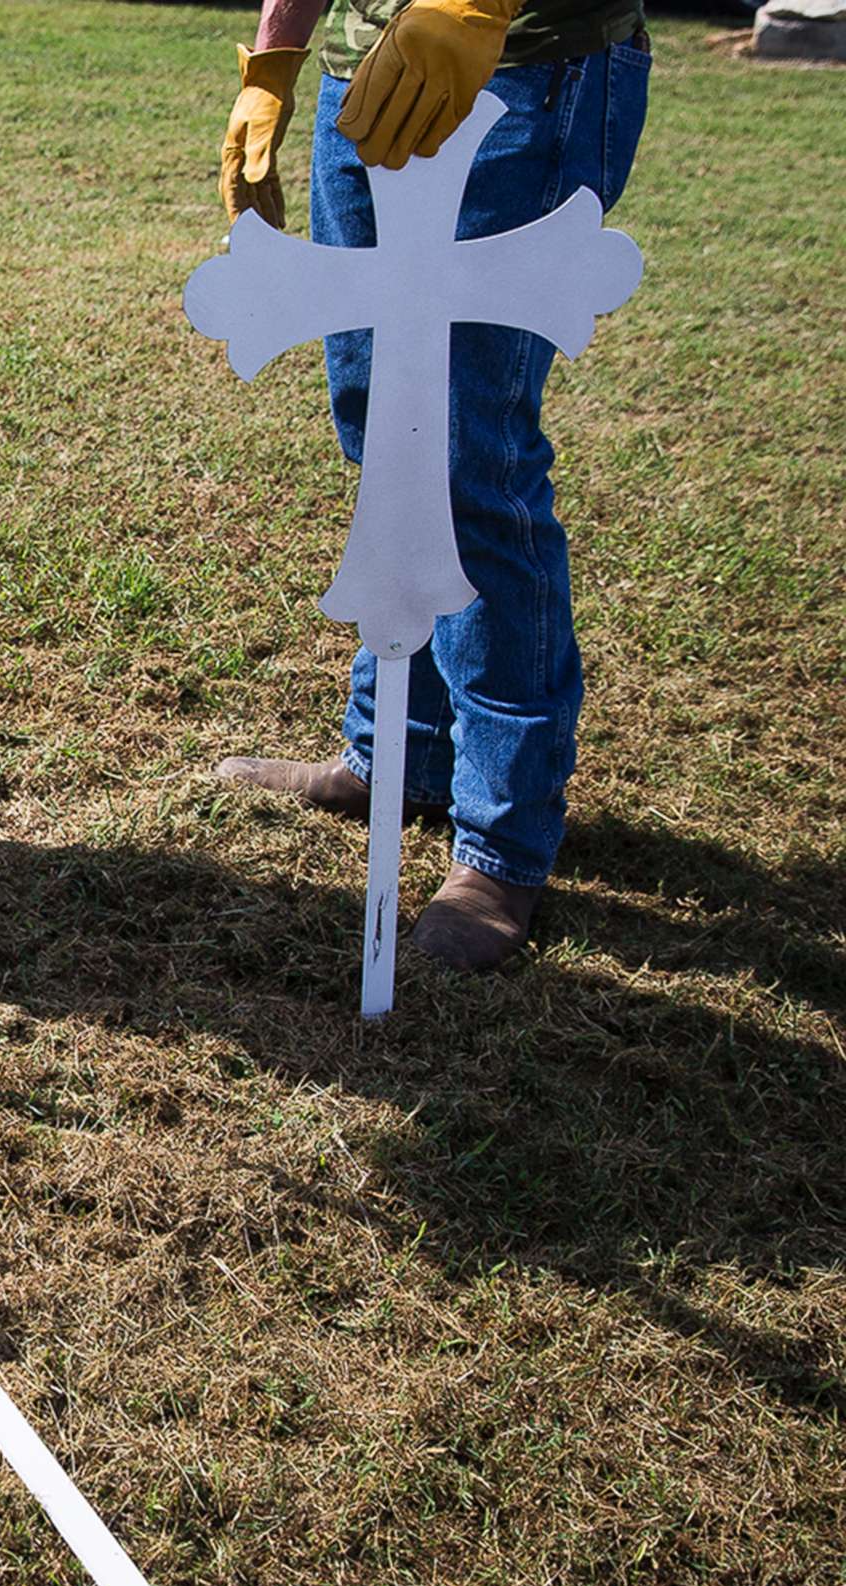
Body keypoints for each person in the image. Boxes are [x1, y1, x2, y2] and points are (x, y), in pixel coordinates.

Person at [213, 0, 649, 970]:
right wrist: (277, 56)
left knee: (462, 453)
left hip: (522, 61)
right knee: (382, 422)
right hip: (361, 70)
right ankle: (398, 753)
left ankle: (501, 844)